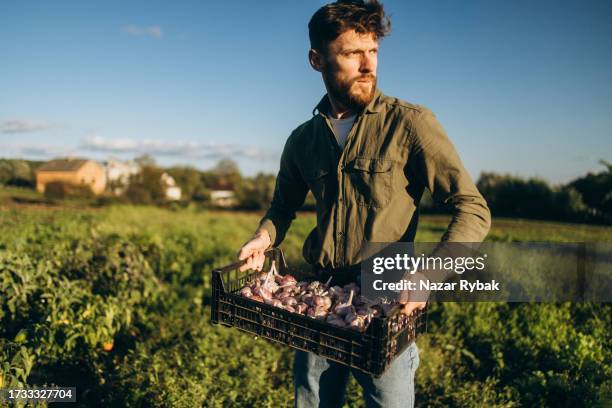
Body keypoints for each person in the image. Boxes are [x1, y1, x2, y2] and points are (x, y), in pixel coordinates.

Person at [237, 1, 491, 407]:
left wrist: (428, 276)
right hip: (320, 297)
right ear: (316, 60)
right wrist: (263, 237)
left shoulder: (410, 123)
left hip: (385, 297)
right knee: (315, 400)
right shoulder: (302, 140)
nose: (367, 64)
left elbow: (473, 209)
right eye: (352, 53)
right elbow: (282, 207)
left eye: (372, 51)